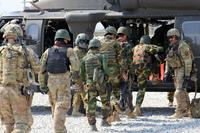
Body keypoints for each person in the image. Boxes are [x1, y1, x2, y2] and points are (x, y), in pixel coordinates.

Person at [0, 23, 40, 133]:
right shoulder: (26, 51)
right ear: (18, 34)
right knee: (23, 123)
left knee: (9, 124)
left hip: (2, 91)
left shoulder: (1, 51)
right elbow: (38, 68)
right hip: (18, 91)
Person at [39, 29, 80, 132]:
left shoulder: (47, 51)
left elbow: (41, 70)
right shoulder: (69, 51)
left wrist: (42, 85)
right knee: (61, 105)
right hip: (63, 81)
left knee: (54, 104)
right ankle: (59, 129)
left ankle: (60, 127)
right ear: (66, 40)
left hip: (51, 81)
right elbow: (76, 67)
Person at [80, 38, 110, 131]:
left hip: (90, 84)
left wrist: (86, 82)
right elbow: (106, 70)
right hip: (101, 84)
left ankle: (92, 126)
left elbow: (82, 73)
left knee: (91, 104)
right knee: (105, 102)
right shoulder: (102, 56)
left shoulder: (84, 58)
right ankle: (104, 120)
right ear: (98, 46)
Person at [165, 28, 193, 118]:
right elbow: (168, 59)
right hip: (176, 70)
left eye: (171, 37)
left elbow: (188, 61)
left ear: (176, 36)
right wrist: (166, 72)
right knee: (182, 91)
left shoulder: (182, 46)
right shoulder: (173, 46)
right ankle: (188, 110)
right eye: (169, 38)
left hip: (182, 69)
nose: (170, 39)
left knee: (178, 91)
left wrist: (187, 74)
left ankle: (179, 111)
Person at [132, 35, 163, 116]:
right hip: (145, 70)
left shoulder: (135, 47)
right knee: (141, 89)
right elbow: (160, 49)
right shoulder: (147, 46)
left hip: (136, 70)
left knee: (139, 86)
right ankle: (137, 108)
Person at [100, 26, 122, 122]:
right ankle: (115, 114)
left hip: (103, 71)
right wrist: (122, 72)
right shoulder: (116, 43)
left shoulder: (99, 43)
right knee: (115, 92)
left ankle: (108, 116)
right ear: (113, 34)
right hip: (114, 71)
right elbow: (120, 59)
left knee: (105, 94)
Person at [117, 26, 136, 118]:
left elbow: (128, 60)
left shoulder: (128, 45)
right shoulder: (117, 45)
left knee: (127, 90)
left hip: (126, 72)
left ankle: (129, 109)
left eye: (122, 35)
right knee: (122, 90)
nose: (120, 37)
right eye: (119, 35)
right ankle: (123, 108)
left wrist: (125, 72)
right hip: (119, 71)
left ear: (126, 36)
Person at [71, 33, 90, 116]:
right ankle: (89, 111)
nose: (84, 44)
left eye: (85, 42)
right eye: (82, 41)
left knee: (79, 92)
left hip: (80, 74)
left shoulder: (82, 51)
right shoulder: (76, 51)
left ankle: (75, 110)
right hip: (77, 74)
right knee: (84, 92)